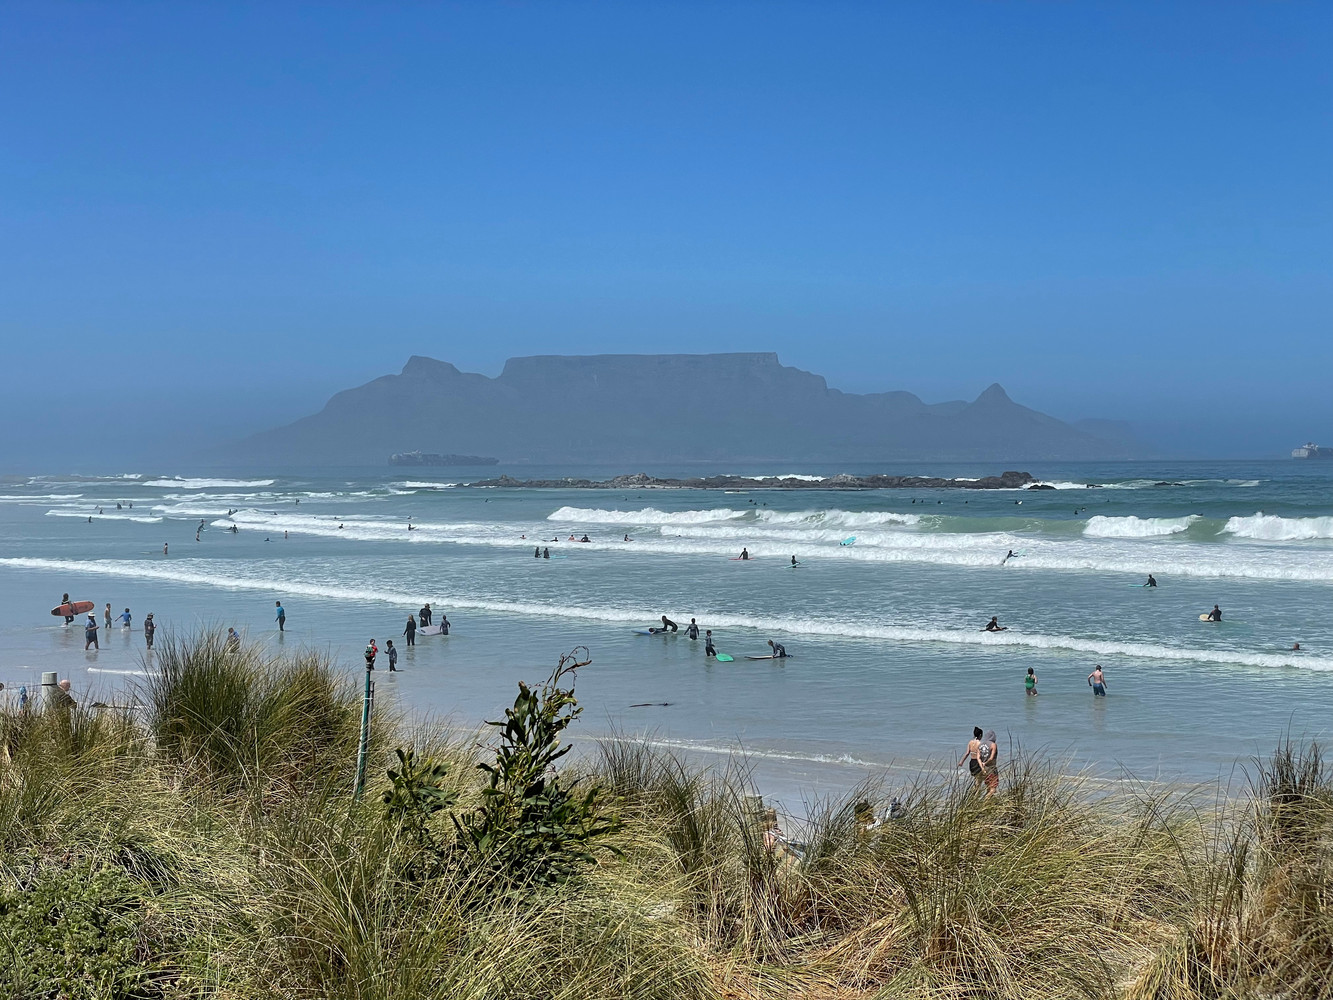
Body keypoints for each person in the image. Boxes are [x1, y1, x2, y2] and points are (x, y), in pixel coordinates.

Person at [982, 730, 1000, 795]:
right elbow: (991, 758)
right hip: (991, 768)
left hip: (984, 769)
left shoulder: (982, 745)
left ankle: (988, 803)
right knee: (993, 788)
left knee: (988, 787)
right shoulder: (993, 745)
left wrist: (983, 765)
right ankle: (984, 802)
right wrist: (986, 763)